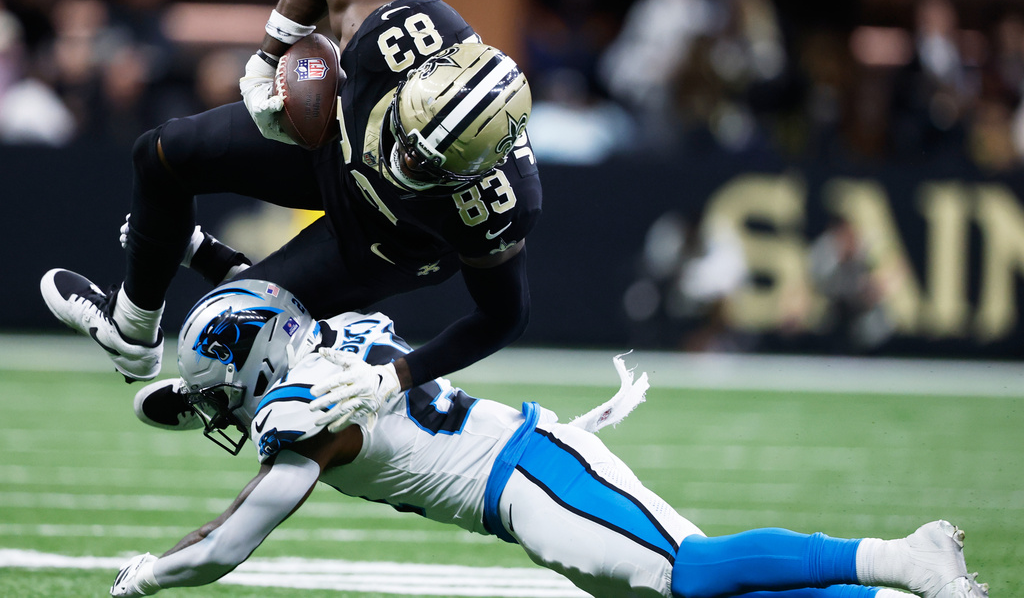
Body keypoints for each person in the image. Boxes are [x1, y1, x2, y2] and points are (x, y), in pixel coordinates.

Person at [111, 277, 989, 598]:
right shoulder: (334, 334)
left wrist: (147, 572)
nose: (228, 411)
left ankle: (904, 556)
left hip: (529, 472)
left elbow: (229, 543)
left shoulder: (309, 417)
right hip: (518, 484)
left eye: (227, 393)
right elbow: (267, 293)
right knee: (699, 592)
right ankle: (894, 593)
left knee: (691, 570)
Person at [39, 0, 540, 399]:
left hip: (384, 240)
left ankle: (247, 349)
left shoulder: (499, 204)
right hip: (333, 144)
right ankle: (131, 327)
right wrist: (267, 57)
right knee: (164, 152)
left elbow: (503, 316)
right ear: (415, 80)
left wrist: (396, 377)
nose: (402, 163)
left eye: (427, 166)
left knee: (239, 326)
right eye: (405, 140)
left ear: (481, 169)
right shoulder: (402, 39)